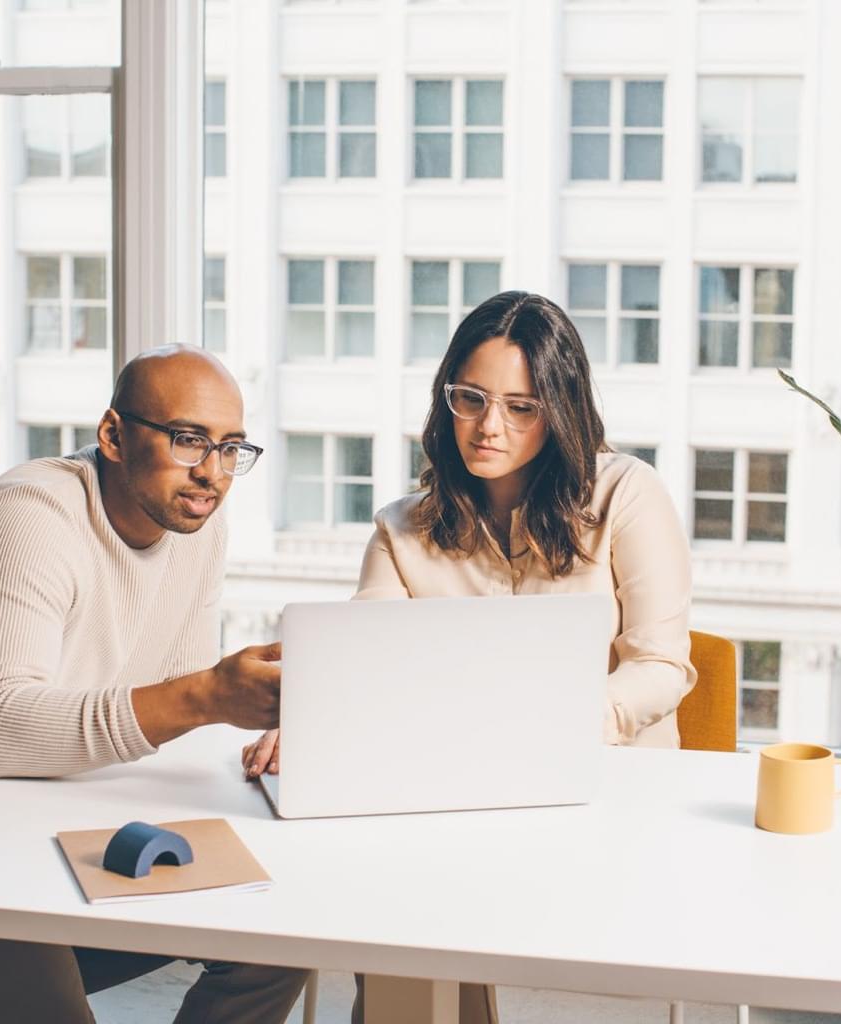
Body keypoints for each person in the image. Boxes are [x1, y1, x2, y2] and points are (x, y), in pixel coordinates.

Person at [242, 291, 695, 1023]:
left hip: (601, 793)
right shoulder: (402, 530)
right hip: (445, 798)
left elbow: (660, 666)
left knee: (412, 910)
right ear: (444, 398)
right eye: (470, 399)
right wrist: (317, 722)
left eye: (522, 406)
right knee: (385, 916)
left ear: (561, 409)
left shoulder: (626, 495)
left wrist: (560, 725)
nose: (489, 427)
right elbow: (364, 667)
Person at [0, 346, 309, 1024]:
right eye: (187, 440)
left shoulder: (194, 520)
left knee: (284, 937)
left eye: (230, 446)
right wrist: (207, 696)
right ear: (113, 435)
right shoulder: (29, 519)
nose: (211, 472)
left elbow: (170, 698)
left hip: (75, 801)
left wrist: (259, 710)